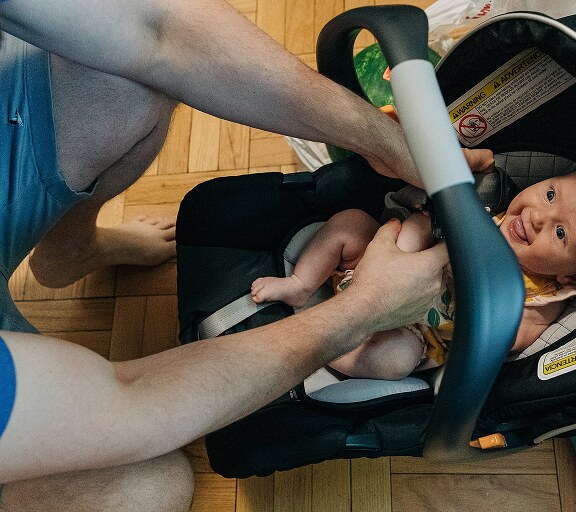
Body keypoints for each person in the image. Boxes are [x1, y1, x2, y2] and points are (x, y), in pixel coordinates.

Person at [0, 1, 501, 511]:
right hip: (377, 293)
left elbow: (159, 28)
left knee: (119, 72)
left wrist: (387, 142)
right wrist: (363, 309)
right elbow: (125, 402)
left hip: (419, 324)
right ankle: (311, 296)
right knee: (148, 489)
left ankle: (71, 251)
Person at [252, 165, 576, 380]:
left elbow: (505, 338)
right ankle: (301, 284)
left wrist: (470, 278)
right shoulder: (491, 209)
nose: (538, 216)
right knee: (353, 223)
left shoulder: (542, 297)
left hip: (413, 330)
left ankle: (325, 344)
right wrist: (426, 222)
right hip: (374, 261)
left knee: (397, 360)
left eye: (560, 233)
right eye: (550, 194)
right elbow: (420, 221)